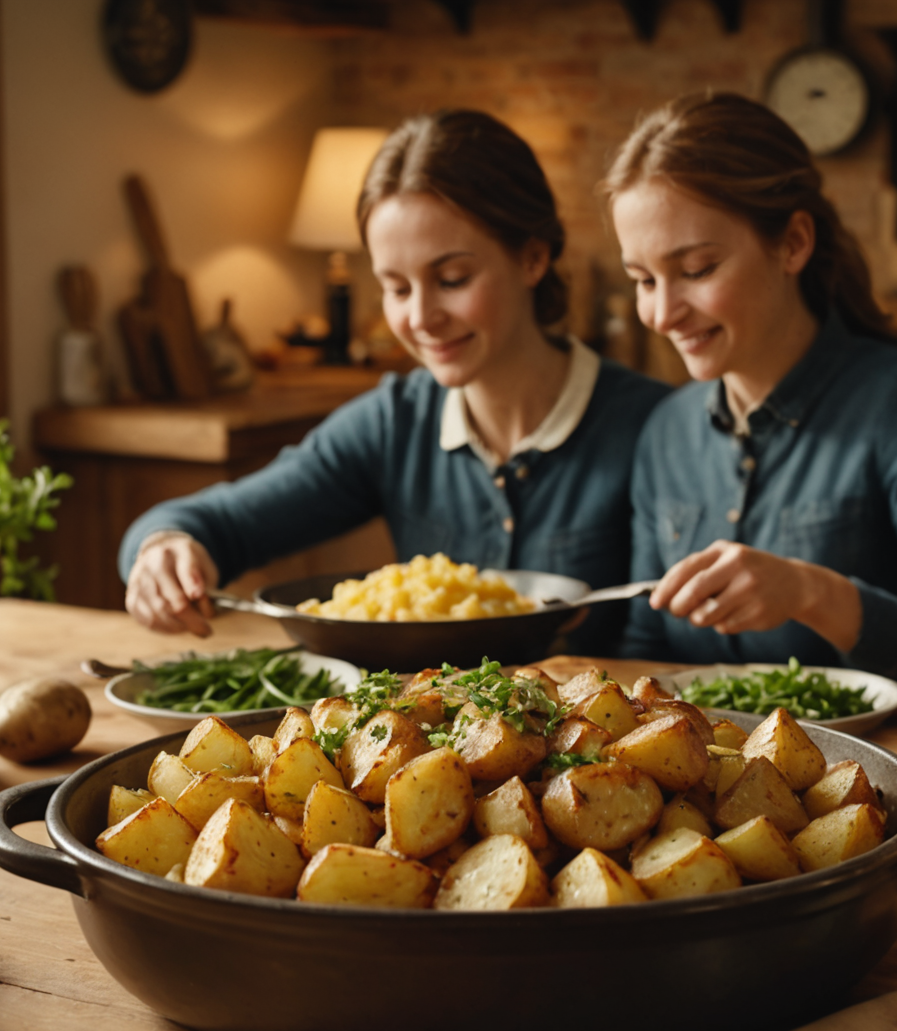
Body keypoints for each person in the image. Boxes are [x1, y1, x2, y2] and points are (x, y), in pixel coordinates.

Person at [120, 110, 666, 655]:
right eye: (396, 288)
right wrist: (164, 550)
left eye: (452, 279)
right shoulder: (394, 422)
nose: (421, 318)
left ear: (533, 257)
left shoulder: (656, 427)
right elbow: (215, 521)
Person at [605, 92, 897, 697]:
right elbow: (643, 653)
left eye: (696, 270)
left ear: (794, 242)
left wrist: (811, 594)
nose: (663, 313)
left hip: (874, 777)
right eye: (642, 280)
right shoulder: (666, 428)